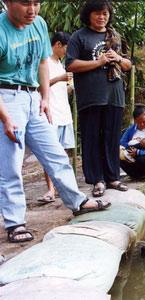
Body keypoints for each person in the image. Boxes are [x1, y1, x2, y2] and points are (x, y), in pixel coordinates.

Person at [0, 0, 110, 243]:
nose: (32, 10)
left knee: (55, 153)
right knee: (11, 164)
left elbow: (41, 63)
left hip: (33, 96)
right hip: (6, 96)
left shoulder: (38, 24)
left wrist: (45, 97)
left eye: (37, 3)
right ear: (7, 2)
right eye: (25, 3)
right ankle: (15, 222)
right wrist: (6, 117)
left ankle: (78, 201)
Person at [65, 1, 131, 198]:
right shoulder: (79, 36)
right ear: (88, 15)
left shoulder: (115, 36)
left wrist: (117, 59)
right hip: (90, 97)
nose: (102, 17)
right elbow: (71, 64)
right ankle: (97, 180)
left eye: (105, 13)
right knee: (92, 138)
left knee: (111, 138)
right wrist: (99, 62)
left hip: (114, 95)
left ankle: (113, 177)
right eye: (97, 14)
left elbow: (128, 64)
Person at [37, 31, 75, 203]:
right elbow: (38, 87)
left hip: (64, 113)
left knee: (63, 153)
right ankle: (50, 189)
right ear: (58, 44)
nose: (67, 52)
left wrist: (70, 85)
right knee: (50, 153)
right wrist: (59, 78)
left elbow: (63, 89)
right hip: (50, 113)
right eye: (66, 48)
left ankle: (61, 188)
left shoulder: (61, 64)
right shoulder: (44, 62)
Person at [120, 105, 145, 180]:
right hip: (131, 153)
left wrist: (139, 152)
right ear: (135, 121)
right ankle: (136, 176)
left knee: (144, 158)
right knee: (119, 158)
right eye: (139, 122)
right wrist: (132, 145)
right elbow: (122, 143)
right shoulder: (130, 129)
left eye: (144, 122)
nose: (142, 124)